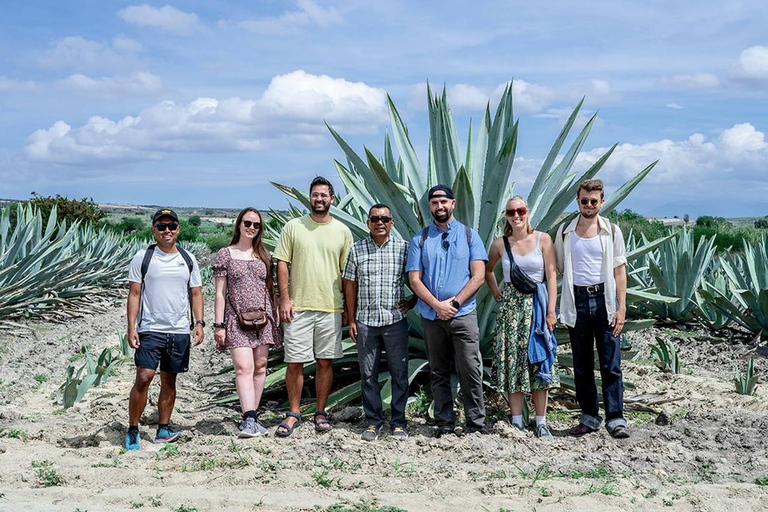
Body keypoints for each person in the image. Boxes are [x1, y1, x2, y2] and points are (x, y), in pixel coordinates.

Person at [273, 176, 353, 437]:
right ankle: (294, 413)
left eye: (324, 195)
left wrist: (348, 311)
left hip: (330, 307)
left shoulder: (342, 231)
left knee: (325, 362)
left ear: (332, 198)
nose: (319, 199)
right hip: (298, 306)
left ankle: (321, 412)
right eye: (315, 195)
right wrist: (285, 299)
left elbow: (347, 273)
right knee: (294, 362)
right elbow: (282, 263)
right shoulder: (294, 227)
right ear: (310, 197)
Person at [406, 184, 488, 437]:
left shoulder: (469, 235)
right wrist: (437, 306)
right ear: (429, 207)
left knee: (470, 369)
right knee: (438, 371)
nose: (439, 206)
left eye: (444, 202)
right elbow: (415, 280)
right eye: (434, 203)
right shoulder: (420, 239)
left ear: (453, 204)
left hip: (463, 315)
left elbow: (479, 276)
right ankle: (445, 423)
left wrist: (452, 305)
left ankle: (475, 423)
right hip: (432, 317)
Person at [554, 179, 630, 439]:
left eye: (593, 201)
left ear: (601, 202)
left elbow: (620, 272)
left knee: (611, 363)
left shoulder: (612, 231)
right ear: (578, 201)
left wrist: (622, 308)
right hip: (577, 301)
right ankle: (588, 416)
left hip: (605, 300)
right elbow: (557, 268)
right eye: (584, 201)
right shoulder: (565, 231)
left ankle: (616, 418)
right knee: (581, 363)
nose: (589, 205)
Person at [125, 208, 204, 451]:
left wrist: (199, 323)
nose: (166, 230)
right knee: (144, 377)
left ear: (178, 229)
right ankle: (133, 429)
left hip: (179, 330)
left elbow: (196, 293)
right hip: (150, 329)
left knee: (169, 380)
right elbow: (134, 293)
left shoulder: (188, 259)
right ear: (154, 230)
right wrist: (131, 328)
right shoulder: (143, 257)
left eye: (171, 226)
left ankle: (163, 428)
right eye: (161, 226)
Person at [485, 196, 559, 440]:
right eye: (510, 212)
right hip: (511, 310)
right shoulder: (499, 244)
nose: (516, 215)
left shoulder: (543, 239)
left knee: (539, 362)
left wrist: (551, 311)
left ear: (528, 212)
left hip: (536, 308)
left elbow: (551, 276)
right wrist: (497, 292)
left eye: (520, 210)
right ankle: (516, 421)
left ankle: (541, 422)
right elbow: (486, 270)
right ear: (505, 215)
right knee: (514, 363)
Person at [343, 204, 416, 441]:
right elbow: (350, 285)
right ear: (368, 223)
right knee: (368, 374)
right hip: (365, 321)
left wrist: (413, 301)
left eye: (384, 218)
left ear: (392, 223)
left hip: (394, 320)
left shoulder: (403, 248)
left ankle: (398, 422)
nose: (380, 222)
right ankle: (373, 421)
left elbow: (417, 277)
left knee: (399, 373)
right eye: (374, 218)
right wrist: (351, 318)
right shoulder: (357, 250)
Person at [213, 208, 282, 438]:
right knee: (244, 368)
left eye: (256, 225)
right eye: (248, 223)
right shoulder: (226, 254)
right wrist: (219, 324)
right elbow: (220, 294)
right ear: (239, 224)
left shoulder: (263, 255)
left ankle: (253, 416)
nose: (251, 227)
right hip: (236, 318)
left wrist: (275, 316)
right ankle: (249, 418)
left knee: (261, 367)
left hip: (263, 319)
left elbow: (269, 289)